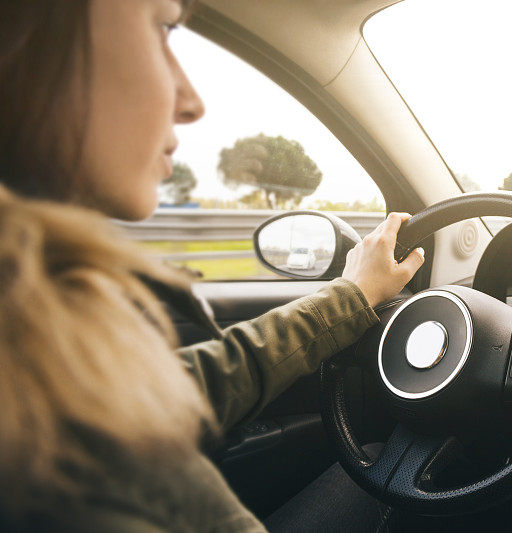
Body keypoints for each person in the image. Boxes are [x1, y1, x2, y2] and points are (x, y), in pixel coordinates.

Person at [0, 0, 425, 530]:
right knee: (397, 473)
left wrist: (352, 297)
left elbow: (186, 388)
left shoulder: (37, 324)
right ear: (26, 50)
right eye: (162, 28)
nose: (191, 101)